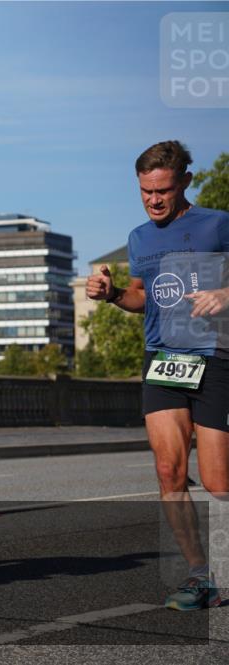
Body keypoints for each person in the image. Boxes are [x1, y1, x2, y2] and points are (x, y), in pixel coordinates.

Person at [87, 140, 228, 611]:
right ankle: (200, 576)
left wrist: (226, 294)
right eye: (145, 191)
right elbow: (144, 297)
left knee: (218, 483)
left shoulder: (217, 224)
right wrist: (112, 294)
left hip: (214, 357)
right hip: (163, 359)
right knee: (169, 471)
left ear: (185, 181)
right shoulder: (139, 238)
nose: (154, 200)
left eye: (163, 190)